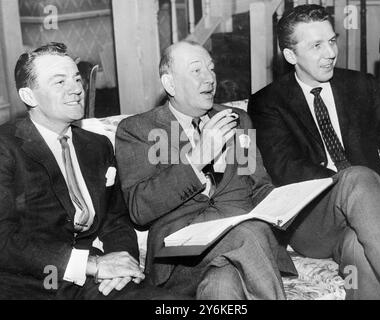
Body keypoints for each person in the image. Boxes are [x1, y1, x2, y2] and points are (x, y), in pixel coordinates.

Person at [115, 40, 297, 300]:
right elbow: (139, 208)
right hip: (180, 254)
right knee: (247, 233)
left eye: (211, 69)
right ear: (170, 84)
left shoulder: (238, 120)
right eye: (196, 70)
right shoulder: (137, 130)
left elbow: (259, 186)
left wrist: (286, 203)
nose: (209, 78)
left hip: (237, 250)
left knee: (222, 286)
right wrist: (196, 159)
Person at [0, 42, 179, 300]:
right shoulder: (6, 147)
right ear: (29, 96)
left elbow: (116, 221)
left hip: (95, 282)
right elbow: (4, 240)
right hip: (32, 285)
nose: (76, 89)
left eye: (76, 78)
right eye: (60, 82)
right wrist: (92, 265)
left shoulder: (97, 146)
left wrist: (121, 265)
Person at [248, 4, 380, 299]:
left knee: (363, 254)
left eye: (332, 41)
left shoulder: (360, 85)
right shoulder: (268, 103)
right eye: (316, 45)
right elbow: (287, 167)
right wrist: (373, 188)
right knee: (359, 177)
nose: (330, 53)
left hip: (374, 218)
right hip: (314, 219)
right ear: (291, 55)